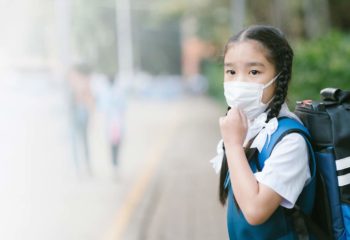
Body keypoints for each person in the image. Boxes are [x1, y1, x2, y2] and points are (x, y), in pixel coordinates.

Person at [212, 25, 311, 239]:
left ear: (280, 76)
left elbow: (255, 211)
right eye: (231, 71)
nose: (239, 82)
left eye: (254, 72)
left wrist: (233, 145)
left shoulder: (290, 140)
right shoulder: (247, 130)